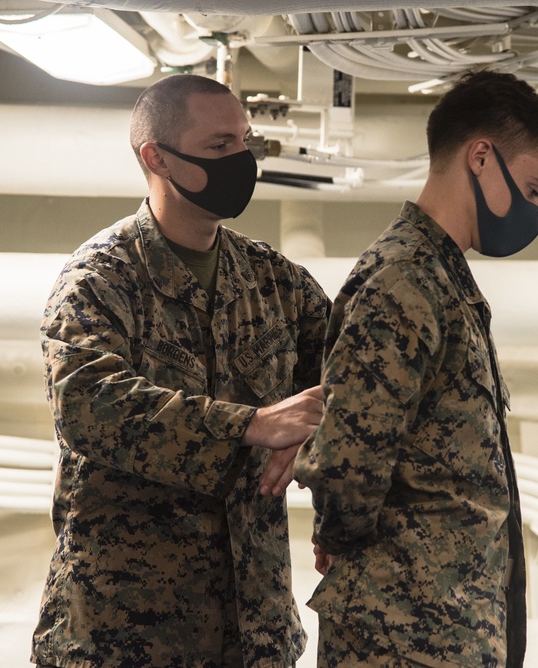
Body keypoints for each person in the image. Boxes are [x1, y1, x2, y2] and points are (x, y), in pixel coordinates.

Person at [31, 74, 329, 668]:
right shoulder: (98, 279)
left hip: (254, 634)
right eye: (220, 147)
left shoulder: (276, 282)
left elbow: (350, 385)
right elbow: (90, 407)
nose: (241, 160)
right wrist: (251, 425)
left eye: (245, 142)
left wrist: (319, 451)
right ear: (156, 157)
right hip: (124, 636)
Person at [295, 69, 538, 667]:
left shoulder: (443, 282)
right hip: (402, 635)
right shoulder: (403, 281)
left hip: (445, 629)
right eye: (533, 188)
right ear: (481, 157)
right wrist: (338, 532)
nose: (532, 210)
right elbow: (349, 457)